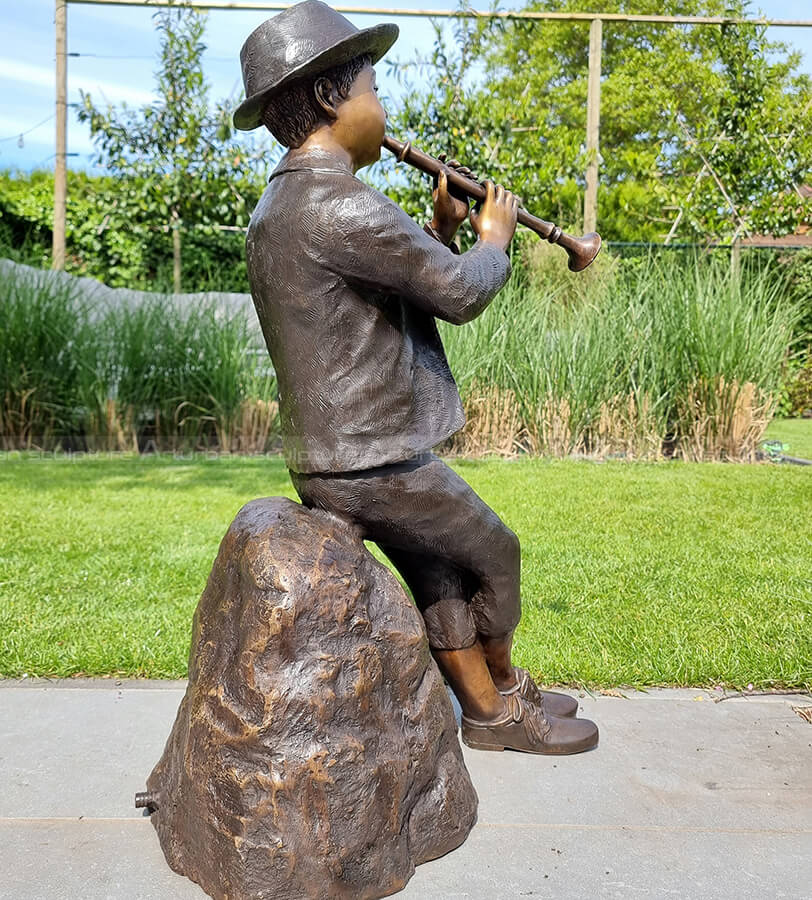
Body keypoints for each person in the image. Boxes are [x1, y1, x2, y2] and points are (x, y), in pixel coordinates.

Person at [235, 0, 597, 754]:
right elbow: (461, 294)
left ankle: (489, 709)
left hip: (339, 455)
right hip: (376, 458)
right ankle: (503, 688)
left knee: (438, 571)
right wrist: (494, 240)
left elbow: (380, 291)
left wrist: (440, 232)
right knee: (496, 553)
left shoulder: (284, 202)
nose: (383, 108)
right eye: (374, 89)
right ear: (334, 100)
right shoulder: (340, 203)